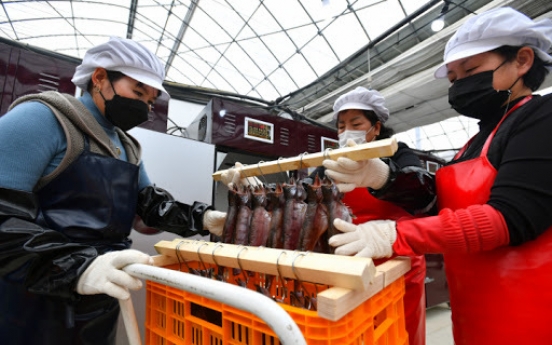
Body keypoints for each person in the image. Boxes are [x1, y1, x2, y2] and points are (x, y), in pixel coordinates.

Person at [324, 7, 552, 345]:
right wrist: (382, 178)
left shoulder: (541, 119)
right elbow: (435, 205)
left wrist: (396, 235)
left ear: (522, 60)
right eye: (453, 79)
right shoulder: (471, 145)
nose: (460, 85)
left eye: (470, 70)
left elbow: (509, 218)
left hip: (530, 314)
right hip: (472, 310)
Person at [0, 36, 226, 345]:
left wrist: (203, 218)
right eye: (138, 92)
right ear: (100, 77)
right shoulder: (43, 118)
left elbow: (149, 207)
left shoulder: (128, 148)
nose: (145, 106)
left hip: (99, 303)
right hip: (30, 304)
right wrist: (77, 269)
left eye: (150, 100)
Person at [308, 87, 435, 345]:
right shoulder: (331, 162)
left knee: (398, 332)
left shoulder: (398, 152)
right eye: (341, 126)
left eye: (356, 124)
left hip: (396, 261)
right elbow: (304, 194)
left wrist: (384, 175)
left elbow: (424, 193)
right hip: (348, 263)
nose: (346, 132)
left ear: (376, 128)